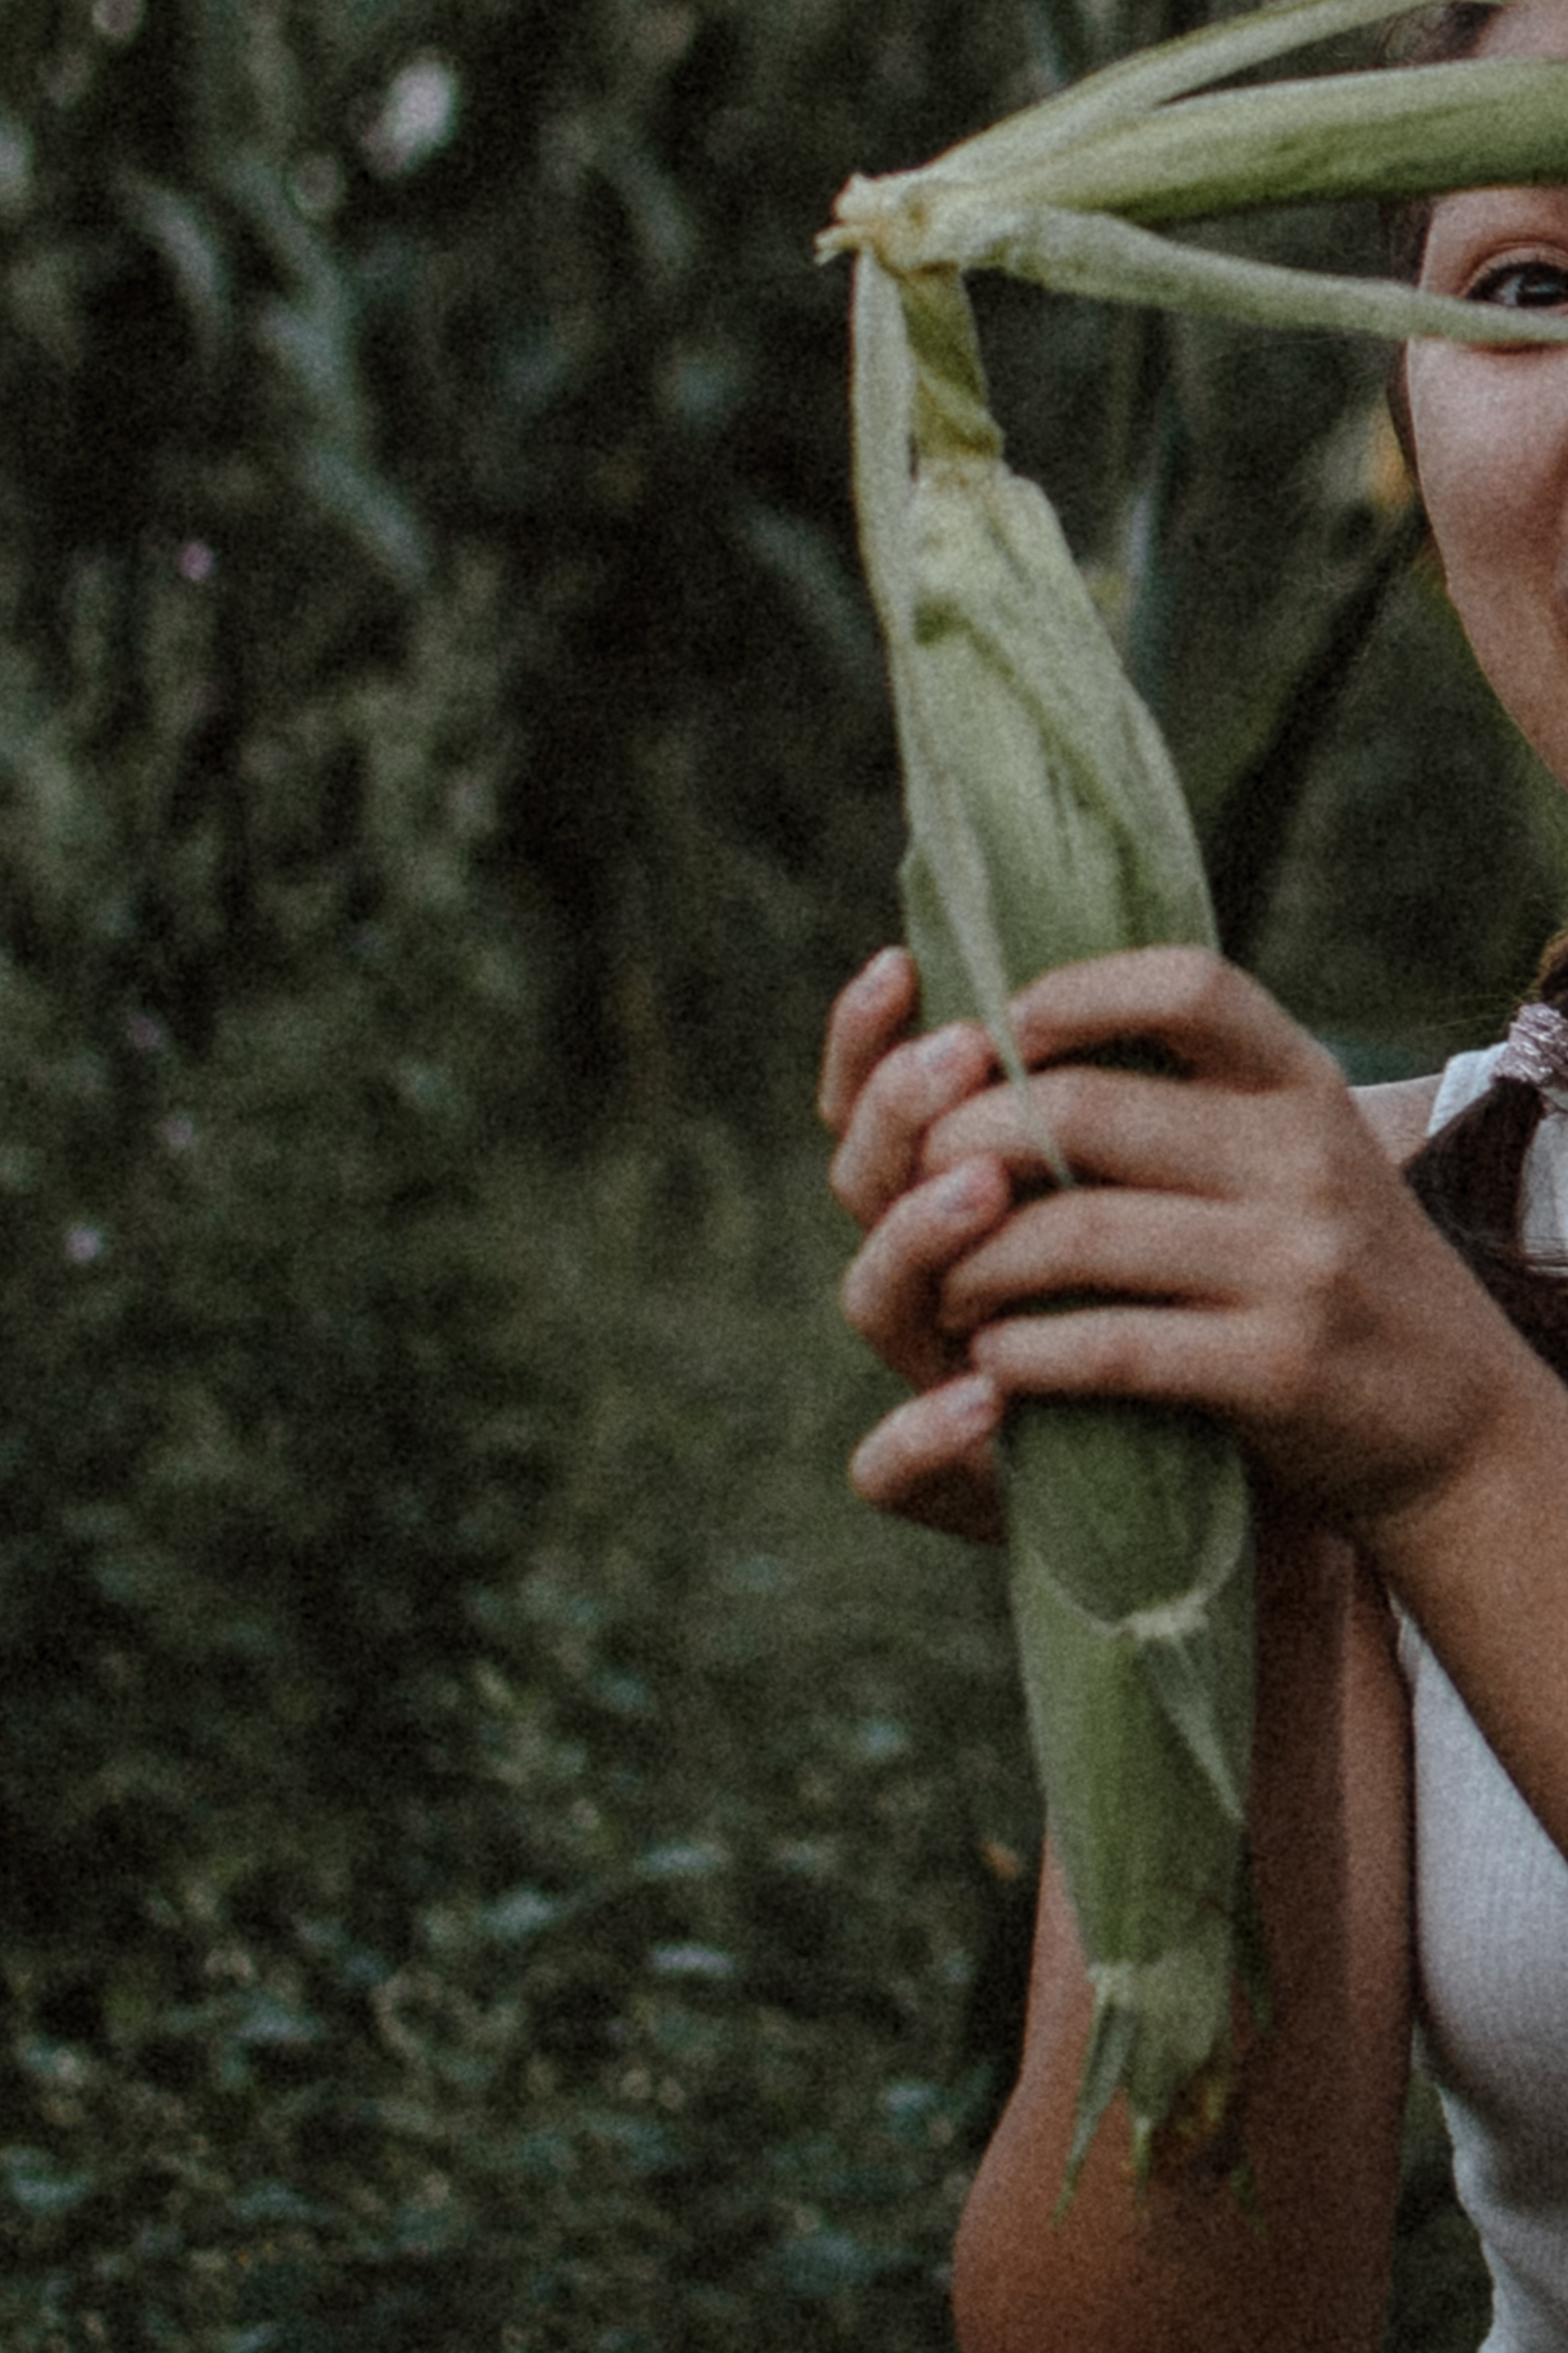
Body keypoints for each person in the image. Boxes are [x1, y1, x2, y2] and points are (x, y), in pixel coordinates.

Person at [817, 3, 1568, 2346]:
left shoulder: (1416, 1336)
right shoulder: (1407, 1217)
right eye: (1530, 290)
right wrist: (1198, 1560)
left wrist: (1458, 1447)